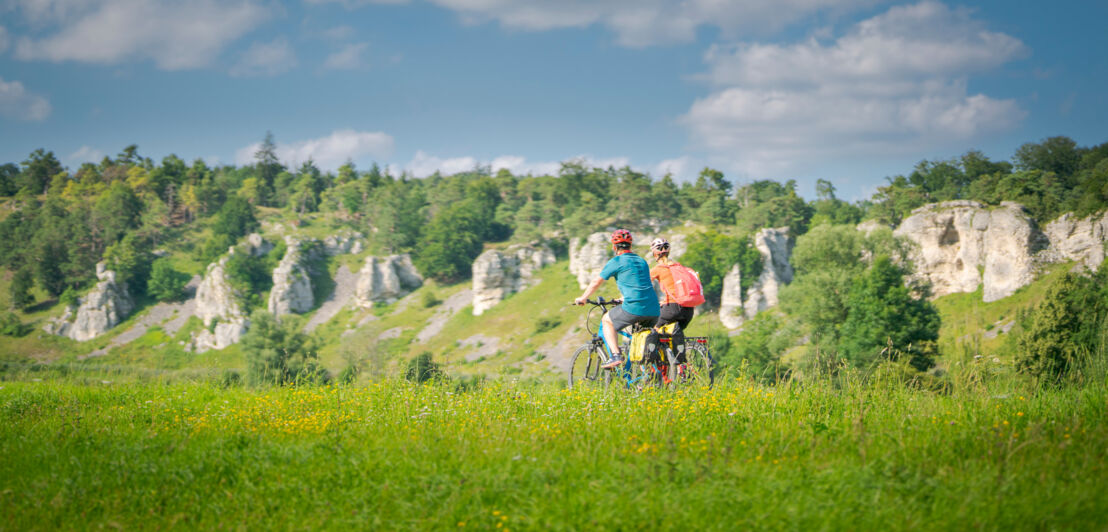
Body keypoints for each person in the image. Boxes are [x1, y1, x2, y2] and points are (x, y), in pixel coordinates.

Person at [574, 229, 660, 369]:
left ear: (614, 247)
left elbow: (596, 282)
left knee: (607, 320)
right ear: (630, 246)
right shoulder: (642, 261)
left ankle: (615, 356)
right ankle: (646, 377)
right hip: (654, 309)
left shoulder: (616, 261)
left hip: (634, 307)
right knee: (641, 342)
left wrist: (583, 298)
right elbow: (639, 283)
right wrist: (623, 298)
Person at [647, 237, 695, 365]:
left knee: (653, 328)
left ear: (654, 253)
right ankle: (679, 367)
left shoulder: (658, 269)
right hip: (688, 310)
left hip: (673, 309)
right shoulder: (679, 267)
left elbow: (642, 286)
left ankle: (650, 363)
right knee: (670, 333)